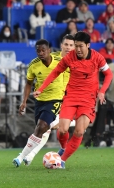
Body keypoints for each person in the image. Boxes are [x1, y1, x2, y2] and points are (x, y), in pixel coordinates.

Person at [33, 31, 113, 169]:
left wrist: (102, 92)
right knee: (62, 130)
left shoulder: (97, 57)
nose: (77, 49)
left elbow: (109, 74)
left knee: (79, 131)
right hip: (71, 96)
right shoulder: (70, 57)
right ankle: (64, 148)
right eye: (76, 46)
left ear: (88, 45)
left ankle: (62, 160)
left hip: (88, 99)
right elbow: (56, 72)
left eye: (80, 46)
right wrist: (41, 88)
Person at [20, 35, 75, 166]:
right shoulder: (54, 59)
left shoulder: (77, 61)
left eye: (71, 45)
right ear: (61, 45)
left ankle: (27, 156)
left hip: (65, 98)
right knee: (46, 129)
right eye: (66, 44)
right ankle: (31, 156)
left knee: (47, 127)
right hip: (44, 99)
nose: (68, 47)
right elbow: (31, 82)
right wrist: (25, 100)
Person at [12, 39, 65, 167]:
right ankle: (29, 156)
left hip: (55, 99)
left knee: (41, 127)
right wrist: (24, 102)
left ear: (49, 51)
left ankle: (21, 156)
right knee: (41, 130)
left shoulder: (60, 63)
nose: (41, 53)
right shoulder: (33, 65)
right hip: (40, 101)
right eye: (38, 51)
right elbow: (28, 83)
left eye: (43, 50)